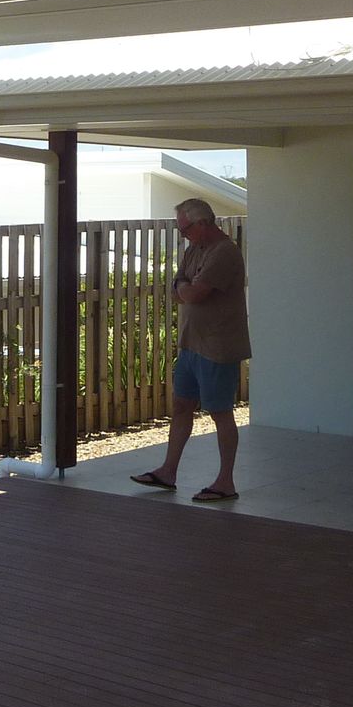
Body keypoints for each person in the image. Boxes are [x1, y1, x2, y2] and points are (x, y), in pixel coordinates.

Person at [130, 198, 249, 502]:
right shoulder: (194, 250)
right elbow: (177, 288)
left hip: (218, 345)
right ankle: (168, 471)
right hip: (190, 343)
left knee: (220, 412)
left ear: (204, 223)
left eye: (185, 229)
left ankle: (225, 482)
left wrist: (185, 288)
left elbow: (193, 292)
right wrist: (184, 287)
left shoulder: (225, 252)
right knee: (182, 406)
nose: (183, 235)